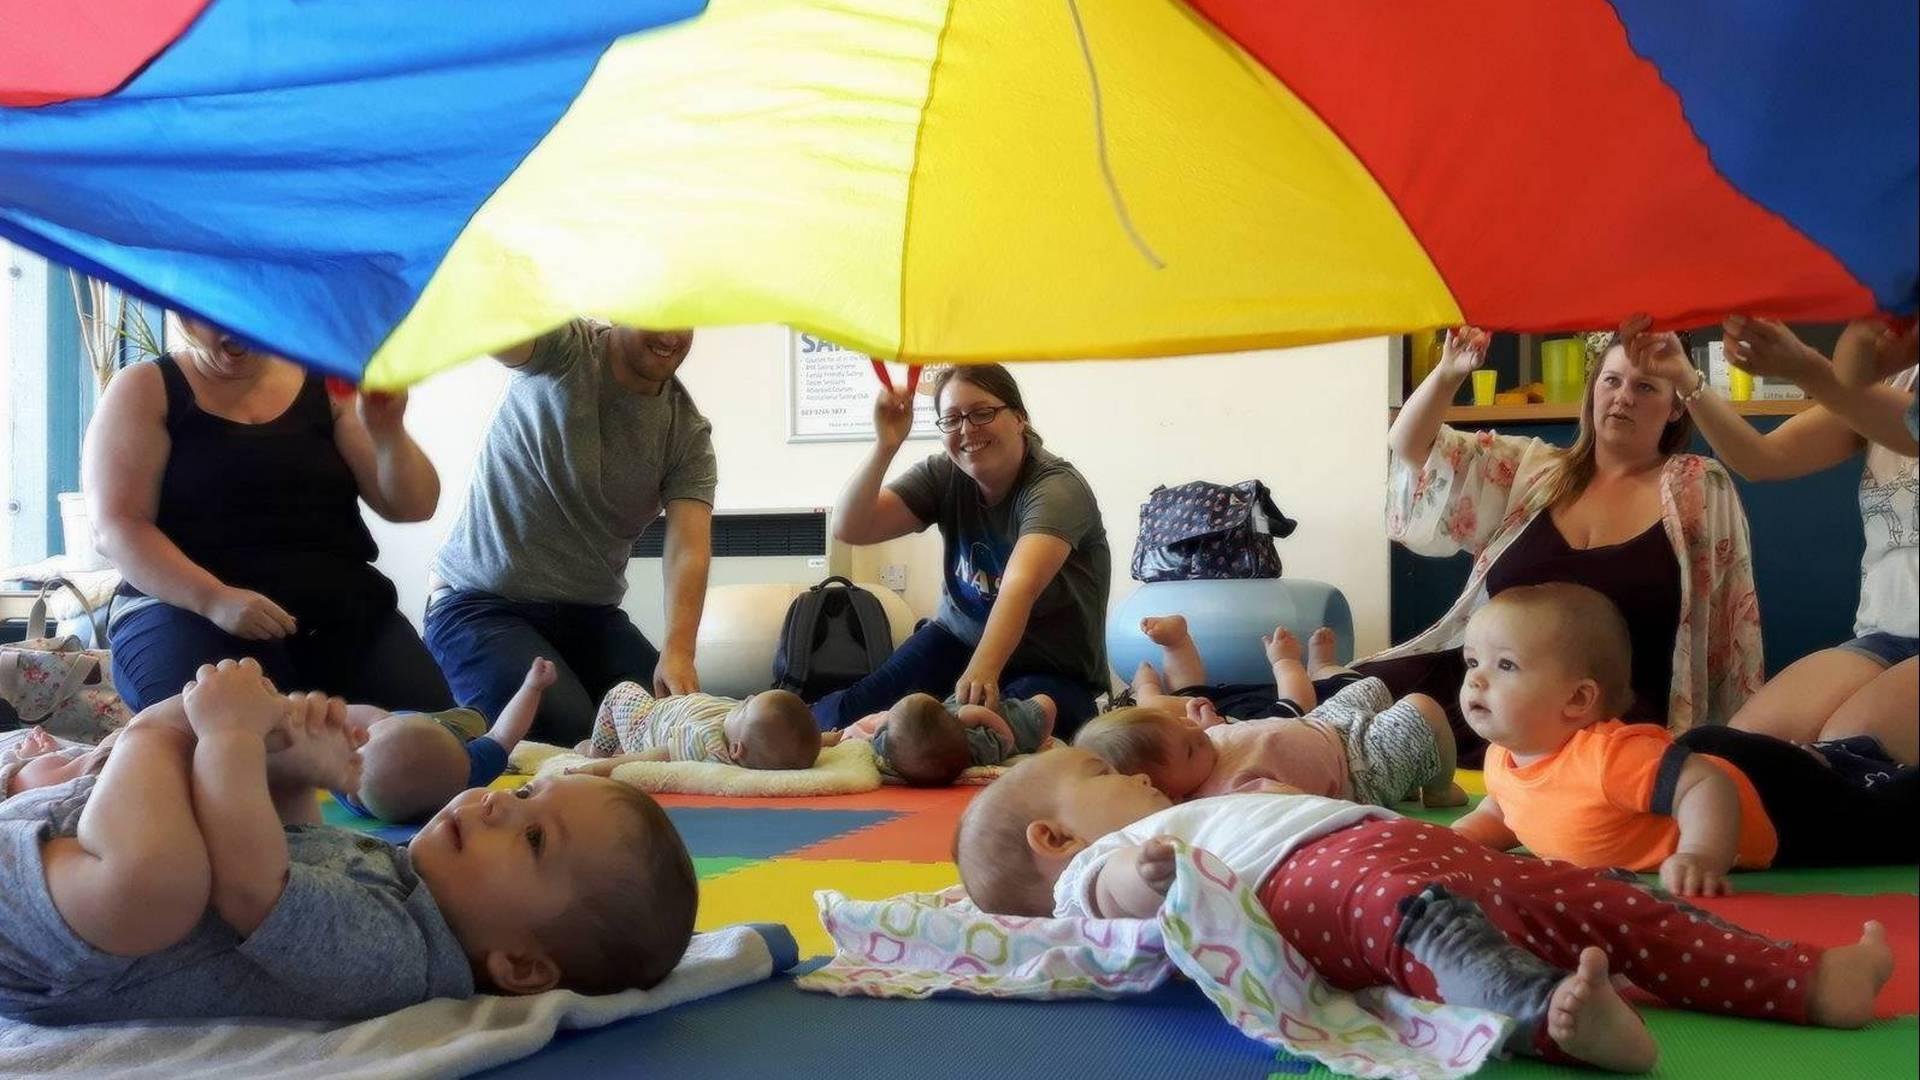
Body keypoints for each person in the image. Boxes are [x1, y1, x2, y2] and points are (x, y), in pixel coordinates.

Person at [954, 749, 1894, 1073]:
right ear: (1054, 841)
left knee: (1609, 900)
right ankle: (1551, 1020)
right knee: (1429, 928)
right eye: (1101, 775)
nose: (1130, 775)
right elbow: (1108, 901)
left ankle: (1806, 980)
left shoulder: (1180, 811)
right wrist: (1146, 881)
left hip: (1414, 844)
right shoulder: (1100, 866)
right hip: (1316, 882)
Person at [0, 658, 698, 1026]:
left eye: (536, 838)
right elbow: (288, 842)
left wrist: (231, 738)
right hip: (81, 860)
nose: (493, 803)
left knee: (159, 887)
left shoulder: (400, 957)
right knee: (167, 872)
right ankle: (109, 755)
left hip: (57, 948)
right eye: (521, 794)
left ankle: (148, 733)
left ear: (521, 966)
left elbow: (251, 887)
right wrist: (297, 769)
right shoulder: (404, 880)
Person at [1354, 319, 1764, 765]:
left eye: (1645, 387)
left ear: (1675, 408)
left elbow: (1729, 635)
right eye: (1611, 380)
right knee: (1350, 698)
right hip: (1489, 696)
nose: (1623, 396)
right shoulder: (1534, 470)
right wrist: (1450, 371)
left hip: (1608, 726)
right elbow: (1411, 445)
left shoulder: (1699, 488)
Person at [85, 318, 451, 714]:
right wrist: (215, 599)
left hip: (339, 615)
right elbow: (117, 526)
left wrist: (388, 432)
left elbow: (413, 506)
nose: (229, 324)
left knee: (429, 743)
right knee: (230, 739)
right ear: (181, 312)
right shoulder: (143, 388)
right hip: (184, 610)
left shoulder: (328, 383)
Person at [425, 319, 716, 746]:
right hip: (481, 605)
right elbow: (491, 325)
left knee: (673, 727)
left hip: (590, 618)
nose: (670, 335)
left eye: (684, 319)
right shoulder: (566, 349)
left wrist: (679, 652)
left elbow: (687, 549)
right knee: (564, 730)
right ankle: (448, 732)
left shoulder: (687, 434)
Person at [1665, 317, 1917, 765]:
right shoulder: (1897, 380)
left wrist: (1805, 366)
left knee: (1849, 750)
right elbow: (1763, 458)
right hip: (1886, 635)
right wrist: (1684, 377)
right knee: (1741, 753)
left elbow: (1910, 429)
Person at [815, 364, 1111, 737]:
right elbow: (850, 528)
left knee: (979, 732)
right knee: (844, 712)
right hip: (955, 639)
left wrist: (982, 672)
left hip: (1052, 670)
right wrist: (885, 445)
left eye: (982, 412)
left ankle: (911, 734)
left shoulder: (1056, 488)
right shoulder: (944, 475)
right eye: (952, 419)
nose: (967, 430)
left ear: (1019, 417)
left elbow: (1020, 584)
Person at [1074, 669, 1464, 809]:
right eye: (1190, 746)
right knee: (1423, 709)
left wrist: (1204, 726)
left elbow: (1219, 739)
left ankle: (1412, 769)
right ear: (1170, 794)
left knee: (1372, 686)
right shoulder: (1228, 797)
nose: (1197, 736)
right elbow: (1297, 808)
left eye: (1184, 728)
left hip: (1323, 723)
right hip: (1359, 770)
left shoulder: (1198, 751)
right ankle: (1439, 788)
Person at [335, 658, 556, 824]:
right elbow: (503, 734)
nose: (378, 719)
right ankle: (467, 717)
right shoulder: (467, 769)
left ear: (352, 795)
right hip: (449, 724)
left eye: (362, 742)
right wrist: (532, 687)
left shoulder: (342, 783)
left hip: (423, 726)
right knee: (474, 718)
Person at [825, 691, 1056, 786]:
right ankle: (1043, 735)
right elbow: (1003, 736)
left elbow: (869, 734)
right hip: (1000, 719)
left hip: (958, 705)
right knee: (1045, 703)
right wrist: (986, 721)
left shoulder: (889, 750)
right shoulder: (978, 745)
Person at [578, 683, 820, 771]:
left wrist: (599, 768)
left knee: (622, 691)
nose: (747, 697)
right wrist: (825, 740)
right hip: (668, 710)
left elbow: (657, 755)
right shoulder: (741, 730)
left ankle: (596, 752)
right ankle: (607, 744)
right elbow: (795, 738)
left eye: (747, 707)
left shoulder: (705, 742)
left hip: (644, 726)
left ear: (736, 750)